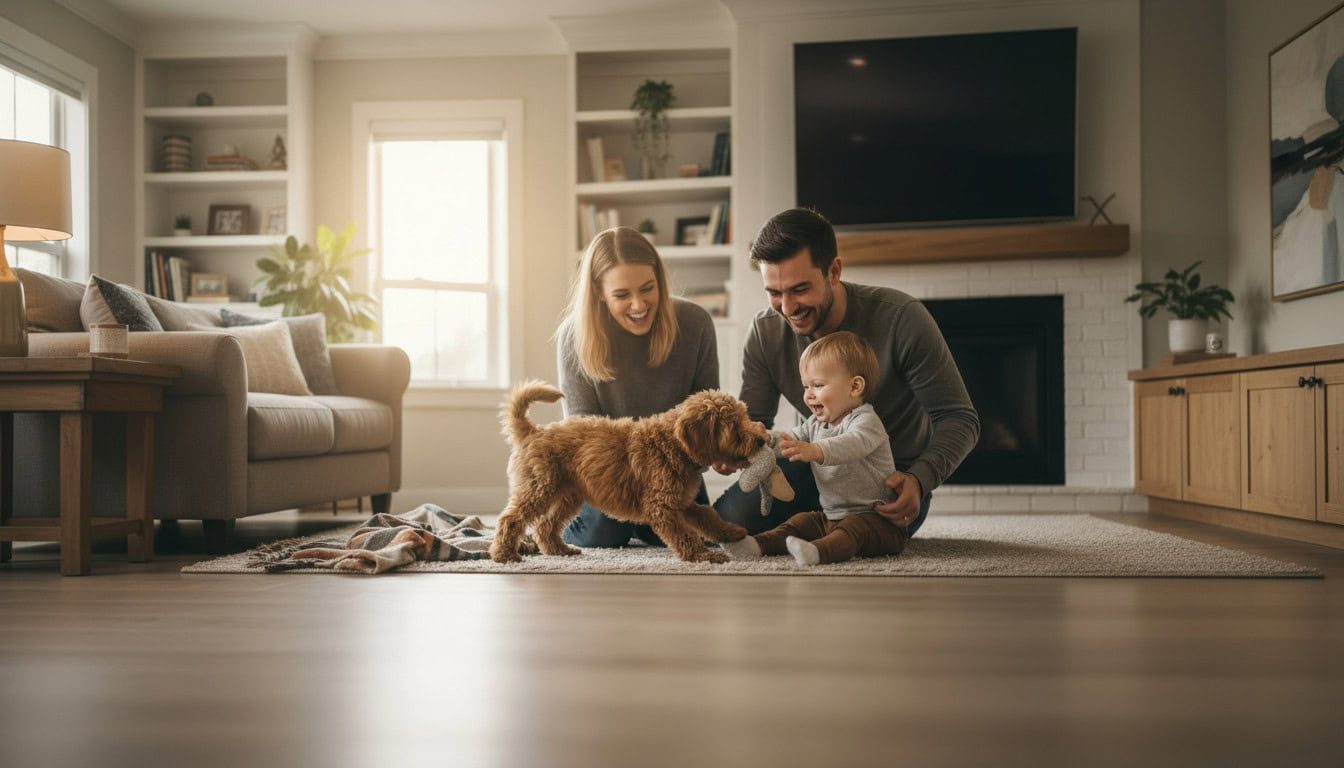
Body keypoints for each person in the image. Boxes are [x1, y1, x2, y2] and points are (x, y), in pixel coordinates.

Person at [713, 208, 980, 538]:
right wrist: (733, 447)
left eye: (799, 289)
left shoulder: (901, 318)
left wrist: (919, 478)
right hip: (814, 465)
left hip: (888, 481)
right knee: (724, 525)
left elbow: (959, 418)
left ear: (834, 271)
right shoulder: (766, 332)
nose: (787, 307)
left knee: (855, 539)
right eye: (774, 292)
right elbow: (756, 419)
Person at [556, 226, 720, 548]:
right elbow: (582, 436)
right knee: (604, 534)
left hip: (675, 473)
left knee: (699, 534)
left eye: (648, 289)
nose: (638, 305)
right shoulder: (573, 336)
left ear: (660, 278)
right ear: (598, 291)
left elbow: (705, 415)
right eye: (621, 295)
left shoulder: (695, 323)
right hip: (608, 477)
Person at [721, 331, 906, 566]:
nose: (808, 395)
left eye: (817, 385)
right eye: (805, 386)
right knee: (801, 521)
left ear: (855, 386)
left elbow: (853, 444)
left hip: (878, 520)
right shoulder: (816, 423)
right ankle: (757, 545)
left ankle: (818, 552)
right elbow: (791, 439)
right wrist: (765, 439)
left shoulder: (866, 421)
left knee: (853, 530)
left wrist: (816, 450)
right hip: (832, 516)